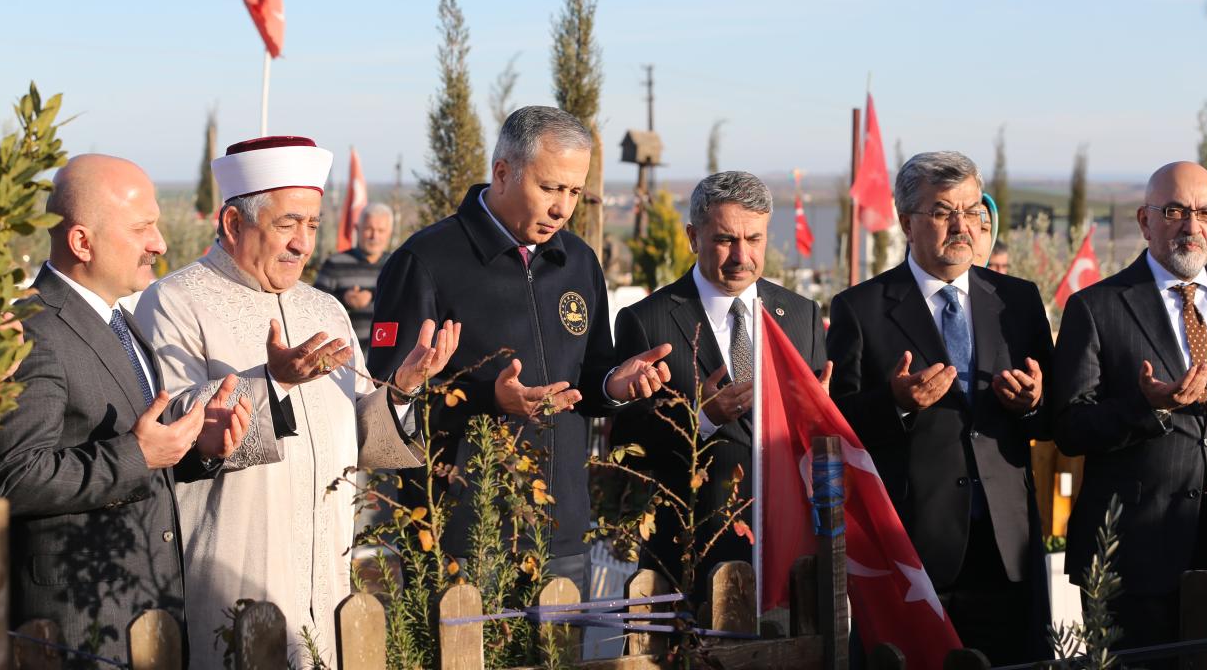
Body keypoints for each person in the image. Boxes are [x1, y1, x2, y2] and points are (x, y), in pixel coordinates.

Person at [134, 136, 458, 669]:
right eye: (286, 225)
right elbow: (176, 430)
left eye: (312, 226)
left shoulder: (324, 309)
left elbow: (358, 436)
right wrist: (271, 384)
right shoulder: (174, 301)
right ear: (234, 225)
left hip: (328, 580)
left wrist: (400, 388)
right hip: (233, 576)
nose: (302, 245)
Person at [366, 106, 673, 594]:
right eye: (550, 188)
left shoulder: (579, 262)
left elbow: (587, 382)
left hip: (561, 532)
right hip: (461, 534)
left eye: (574, 191)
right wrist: (491, 399)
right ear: (502, 173)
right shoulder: (425, 262)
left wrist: (614, 385)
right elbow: (385, 408)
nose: (563, 208)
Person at [0, 154, 251, 662]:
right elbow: (13, 478)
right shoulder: (33, 331)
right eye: (141, 228)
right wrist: (139, 454)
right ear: (81, 241)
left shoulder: (119, 322)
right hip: (76, 626)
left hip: (145, 613)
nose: (160, 243)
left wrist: (195, 448)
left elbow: (135, 457)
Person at [826, 151, 1053, 664]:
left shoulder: (1018, 300)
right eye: (943, 211)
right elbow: (835, 425)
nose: (962, 226)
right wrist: (896, 404)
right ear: (907, 221)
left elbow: (1056, 411)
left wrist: (1034, 403)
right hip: (913, 550)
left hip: (1006, 545)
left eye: (973, 211)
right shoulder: (860, 308)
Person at [611, 171, 830, 604]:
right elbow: (626, 440)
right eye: (726, 240)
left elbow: (824, 435)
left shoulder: (801, 315)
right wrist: (704, 417)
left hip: (789, 553)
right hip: (690, 555)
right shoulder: (647, 320)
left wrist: (819, 415)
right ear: (693, 236)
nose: (741, 256)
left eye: (754, 239)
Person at [1050, 160, 1207, 653]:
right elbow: (1067, 426)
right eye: (1175, 211)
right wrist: (1149, 409)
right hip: (1133, 556)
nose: (1192, 227)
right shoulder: (1097, 307)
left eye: (1206, 213)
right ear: (1145, 221)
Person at [315, 202, 394, 339]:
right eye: (369, 229)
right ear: (357, 229)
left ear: (389, 233)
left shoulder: (396, 265)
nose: (374, 236)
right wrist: (343, 300)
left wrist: (374, 296)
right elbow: (314, 305)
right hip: (343, 354)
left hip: (387, 356)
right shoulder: (334, 264)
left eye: (381, 231)